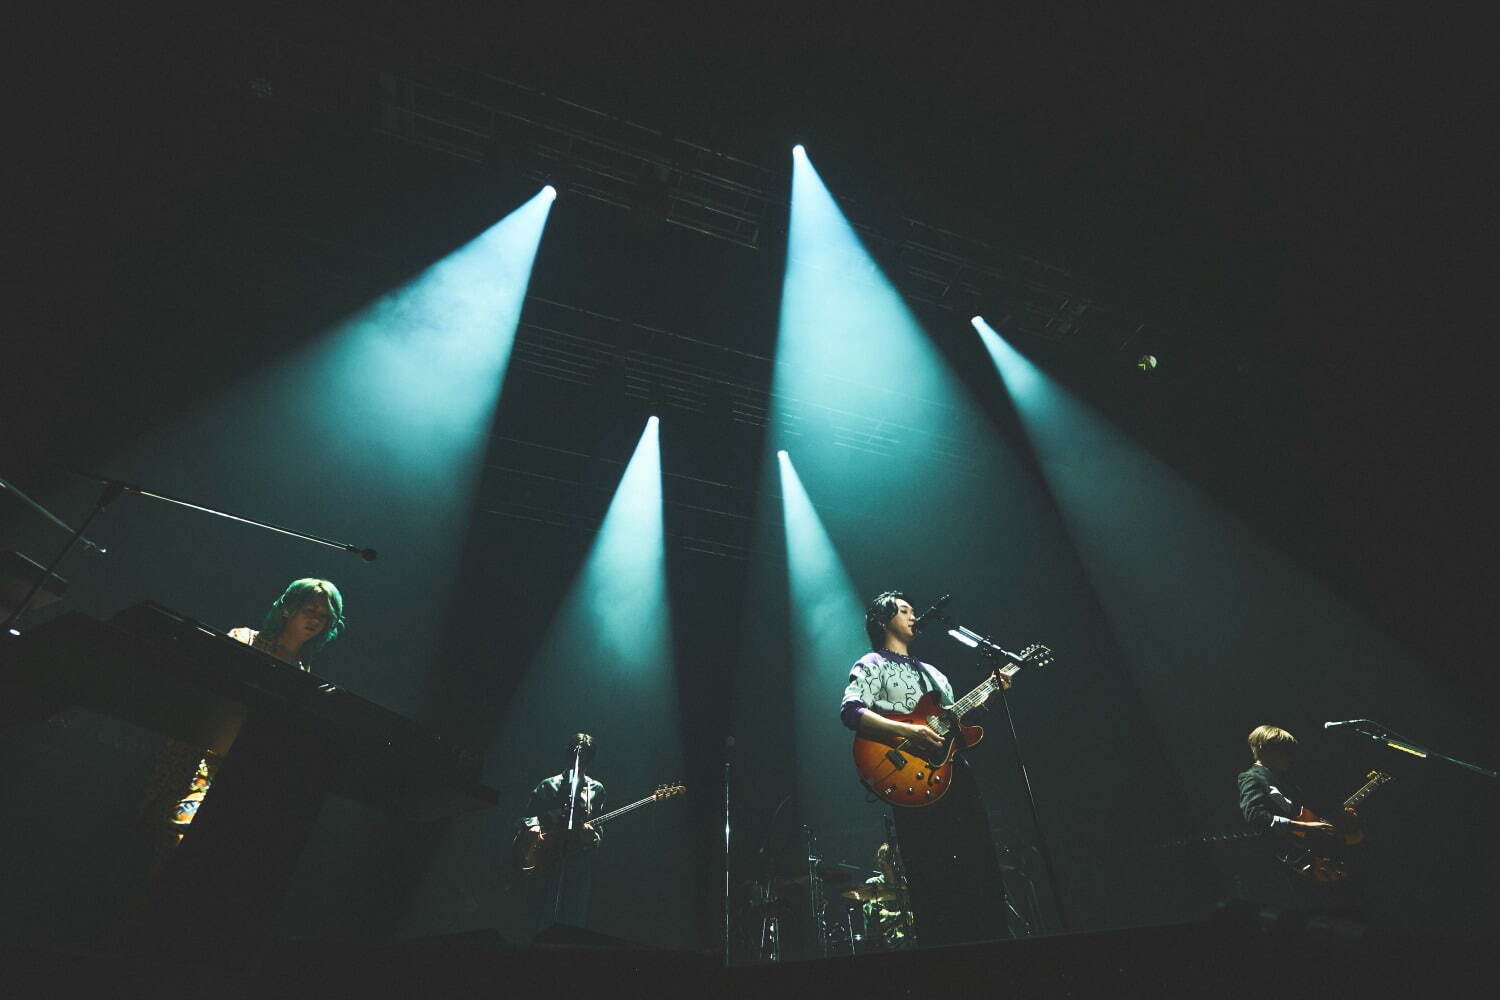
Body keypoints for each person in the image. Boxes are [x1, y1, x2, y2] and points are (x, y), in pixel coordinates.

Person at [840, 590, 1011, 947]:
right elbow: (851, 712)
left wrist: (991, 693)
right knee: (931, 868)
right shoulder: (870, 663)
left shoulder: (934, 674)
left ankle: (991, 943)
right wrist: (906, 730)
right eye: (904, 611)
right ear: (882, 621)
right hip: (910, 777)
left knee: (976, 859)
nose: (913, 616)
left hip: (952, 772)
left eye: (914, 611)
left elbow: (955, 724)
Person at [167, 579, 344, 834]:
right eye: (310, 610)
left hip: (248, 766)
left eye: (324, 616)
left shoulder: (303, 674)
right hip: (205, 755)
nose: (316, 620)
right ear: (288, 608)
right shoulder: (244, 639)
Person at [1236, 725, 1358, 899]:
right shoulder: (1251, 777)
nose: (1289, 757)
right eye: (1284, 751)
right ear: (1266, 749)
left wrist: (1338, 821)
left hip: (1308, 855)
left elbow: (1304, 817)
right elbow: (1255, 815)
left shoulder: (1283, 781)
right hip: (1288, 861)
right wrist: (1307, 827)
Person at [517, 733, 606, 936]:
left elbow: (598, 832)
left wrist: (591, 837)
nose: (579, 758)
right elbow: (526, 818)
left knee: (573, 921)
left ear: (590, 759)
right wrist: (534, 828)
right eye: (576, 753)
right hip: (545, 860)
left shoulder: (596, 790)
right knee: (538, 917)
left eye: (585, 755)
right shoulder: (548, 785)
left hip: (577, 863)